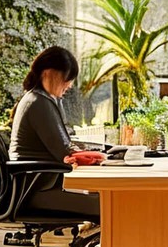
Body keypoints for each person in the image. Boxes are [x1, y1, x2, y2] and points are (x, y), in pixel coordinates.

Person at [8, 45, 104, 222]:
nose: (70, 84)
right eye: (67, 78)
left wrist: (103, 149)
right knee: (111, 204)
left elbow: (64, 142)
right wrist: (103, 154)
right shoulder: (39, 103)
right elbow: (65, 151)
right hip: (36, 193)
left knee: (106, 199)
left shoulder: (40, 99)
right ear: (48, 73)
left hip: (36, 187)